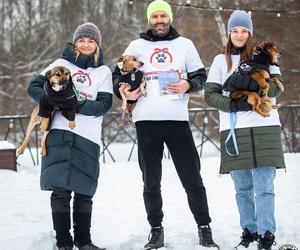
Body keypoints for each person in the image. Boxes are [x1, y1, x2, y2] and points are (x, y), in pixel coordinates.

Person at [112, 0, 218, 249]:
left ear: (169, 18)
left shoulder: (184, 45)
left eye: (163, 16)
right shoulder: (136, 46)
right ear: (149, 20)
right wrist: (124, 91)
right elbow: (117, 75)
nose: (159, 20)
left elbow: (200, 76)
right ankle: (156, 230)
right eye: (155, 16)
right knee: (151, 181)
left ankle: (204, 228)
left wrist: (188, 85)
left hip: (177, 121)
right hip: (146, 122)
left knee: (192, 178)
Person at [204, 10, 285, 250]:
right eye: (234, 31)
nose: (239, 35)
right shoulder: (221, 61)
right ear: (229, 33)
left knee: (264, 187)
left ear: (250, 33)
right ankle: (249, 230)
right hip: (234, 130)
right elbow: (210, 95)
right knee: (242, 188)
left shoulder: (265, 58)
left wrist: (256, 90)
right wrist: (235, 104)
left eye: (243, 31)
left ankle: (266, 234)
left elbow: (277, 90)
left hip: (265, 128)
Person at [27, 22, 112, 250]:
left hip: (88, 136)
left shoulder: (103, 72)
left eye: (91, 41)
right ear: (75, 42)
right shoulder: (59, 64)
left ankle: (84, 241)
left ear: (97, 45)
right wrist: (50, 99)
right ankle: (64, 242)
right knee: (61, 190)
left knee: (85, 190)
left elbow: (104, 104)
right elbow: (33, 87)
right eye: (82, 40)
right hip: (59, 134)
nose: (86, 44)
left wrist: (76, 103)